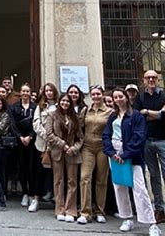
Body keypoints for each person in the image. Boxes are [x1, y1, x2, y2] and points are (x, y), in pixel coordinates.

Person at [103, 88, 161, 236]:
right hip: (115, 156)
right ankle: (127, 218)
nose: (118, 100)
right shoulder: (113, 116)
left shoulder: (136, 116)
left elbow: (139, 137)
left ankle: (152, 223)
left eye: (120, 96)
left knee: (140, 189)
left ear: (126, 97)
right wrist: (110, 152)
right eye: (115, 97)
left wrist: (126, 154)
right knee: (119, 188)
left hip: (132, 157)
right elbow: (106, 135)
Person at [134, 70, 165, 229]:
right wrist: (159, 112)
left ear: (158, 79)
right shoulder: (140, 97)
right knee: (154, 176)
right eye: (148, 77)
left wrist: (147, 112)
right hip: (147, 141)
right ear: (144, 80)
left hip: (164, 141)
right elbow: (137, 116)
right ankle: (159, 210)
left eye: (154, 77)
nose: (151, 79)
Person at [77, 85, 113, 224]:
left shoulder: (109, 112)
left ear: (103, 95)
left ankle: (100, 211)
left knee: (101, 179)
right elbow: (80, 127)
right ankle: (85, 213)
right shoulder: (86, 110)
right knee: (85, 177)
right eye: (93, 94)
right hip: (87, 147)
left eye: (98, 94)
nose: (96, 96)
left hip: (103, 147)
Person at [45, 93, 84, 222]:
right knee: (59, 181)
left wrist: (74, 148)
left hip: (72, 153)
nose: (65, 103)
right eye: (63, 101)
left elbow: (80, 138)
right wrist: (63, 145)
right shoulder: (52, 115)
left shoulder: (75, 117)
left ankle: (71, 210)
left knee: (72, 182)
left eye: (67, 101)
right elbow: (49, 134)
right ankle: (59, 209)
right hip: (58, 152)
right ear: (59, 102)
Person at [9, 83, 38, 211]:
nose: (25, 93)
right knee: (22, 167)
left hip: (32, 142)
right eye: (23, 91)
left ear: (30, 93)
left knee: (32, 168)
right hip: (19, 142)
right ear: (20, 93)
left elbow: (37, 123)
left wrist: (30, 136)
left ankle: (32, 193)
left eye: (27, 91)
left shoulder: (35, 107)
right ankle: (25, 193)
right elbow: (12, 124)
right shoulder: (14, 107)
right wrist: (20, 137)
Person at [33, 82, 59, 204]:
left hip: (56, 144)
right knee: (40, 171)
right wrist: (46, 135)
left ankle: (55, 196)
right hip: (42, 144)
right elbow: (36, 123)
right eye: (46, 91)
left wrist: (53, 137)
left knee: (56, 171)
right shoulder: (40, 106)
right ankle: (36, 197)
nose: (49, 93)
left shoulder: (60, 106)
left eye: (50, 90)